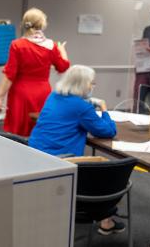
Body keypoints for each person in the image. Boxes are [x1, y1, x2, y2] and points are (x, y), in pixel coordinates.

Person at [29, 65, 122, 235]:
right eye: (91, 83)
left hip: (36, 158)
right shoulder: (81, 107)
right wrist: (104, 108)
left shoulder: (53, 96)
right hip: (62, 163)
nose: (92, 86)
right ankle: (105, 221)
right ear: (82, 84)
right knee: (107, 176)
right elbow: (107, 131)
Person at [0, 8, 70, 137]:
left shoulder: (17, 45)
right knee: (39, 131)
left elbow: (9, 76)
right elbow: (63, 67)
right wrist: (62, 50)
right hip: (43, 93)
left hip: (21, 94)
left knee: (18, 134)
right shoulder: (51, 46)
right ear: (42, 24)